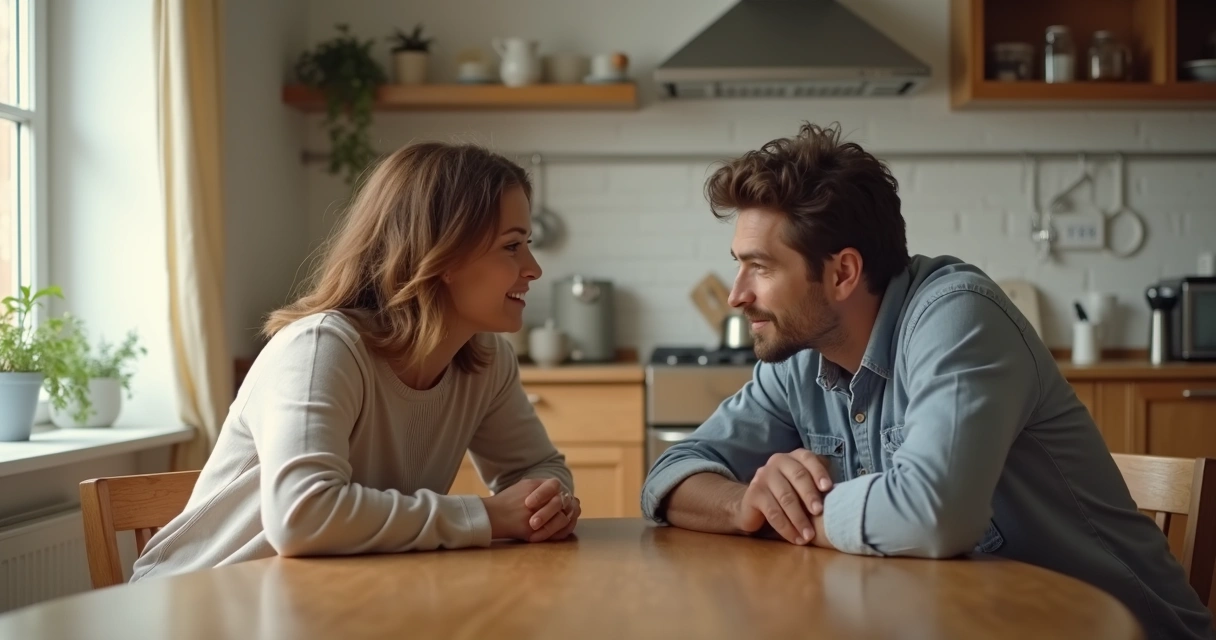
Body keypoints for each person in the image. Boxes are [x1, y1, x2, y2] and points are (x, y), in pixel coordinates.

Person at [641, 123, 1213, 639]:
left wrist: (794, 513)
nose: (737, 293)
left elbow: (935, 516)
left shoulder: (958, 317)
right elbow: (670, 475)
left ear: (842, 272)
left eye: (760, 267)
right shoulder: (802, 356)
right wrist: (746, 502)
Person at [132, 142, 580, 582]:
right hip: (197, 609)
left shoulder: (484, 359)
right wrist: (487, 515)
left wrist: (545, 504)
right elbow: (301, 516)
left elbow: (537, 471)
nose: (533, 268)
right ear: (442, 254)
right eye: (512, 246)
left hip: (321, 603)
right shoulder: (320, 347)